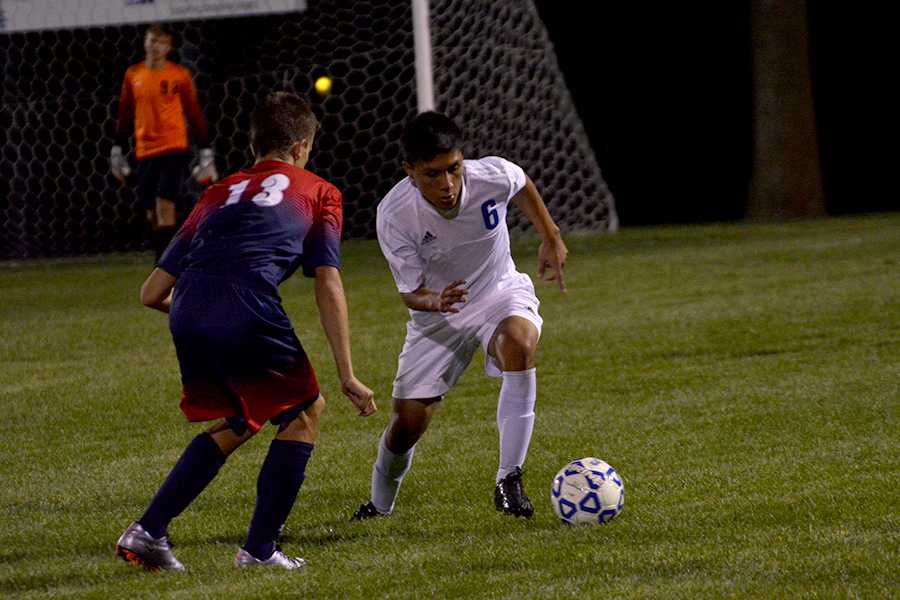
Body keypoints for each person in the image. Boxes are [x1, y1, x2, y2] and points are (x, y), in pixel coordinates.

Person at [115, 92, 376, 572]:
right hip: (246, 302)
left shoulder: (216, 193)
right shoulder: (318, 191)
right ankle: (258, 551)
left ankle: (148, 531)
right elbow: (327, 281)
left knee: (243, 418)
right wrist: (347, 373)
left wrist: (202, 314)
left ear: (255, 145)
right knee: (304, 408)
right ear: (299, 147)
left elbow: (151, 292)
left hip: (187, 307)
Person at [351, 112, 567, 521]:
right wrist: (437, 302)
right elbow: (411, 293)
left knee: (519, 343)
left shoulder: (491, 175)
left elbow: (521, 182)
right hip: (438, 319)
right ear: (409, 171)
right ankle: (379, 506)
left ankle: (509, 477)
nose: (447, 184)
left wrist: (550, 236)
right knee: (407, 426)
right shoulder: (395, 215)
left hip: (499, 292)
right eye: (432, 174)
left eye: (453, 168)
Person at [111, 23, 217, 262]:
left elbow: (194, 112)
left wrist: (205, 150)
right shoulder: (133, 75)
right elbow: (125, 112)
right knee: (151, 209)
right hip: (145, 149)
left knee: (164, 203)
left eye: (161, 42)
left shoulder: (179, 74)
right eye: (151, 40)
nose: (155, 45)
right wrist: (117, 149)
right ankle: (165, 257)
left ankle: (166, 265)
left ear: (168, 47)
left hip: (173, 147)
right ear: (145, 42)